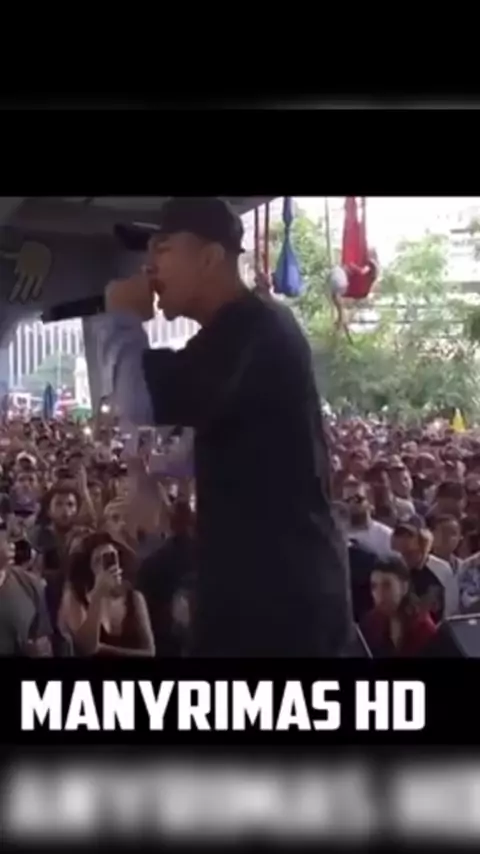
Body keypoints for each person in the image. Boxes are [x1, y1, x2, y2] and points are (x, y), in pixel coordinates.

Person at [102, 196, 351, 657]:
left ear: (210, 257)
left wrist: (121, 317)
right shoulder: (242, 331)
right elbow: (204, 431)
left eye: (163, 249)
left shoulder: (250, 329)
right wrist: (146, 475)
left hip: (278, 604)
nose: (150, 266)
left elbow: (139, 397)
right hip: (266, 591)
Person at [360, 553, 437, 657]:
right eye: (374, 586)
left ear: (404, 587)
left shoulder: (423, 628)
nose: (379, 593)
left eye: (387, 585)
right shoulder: (371, 622)